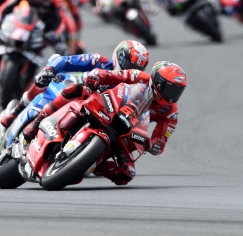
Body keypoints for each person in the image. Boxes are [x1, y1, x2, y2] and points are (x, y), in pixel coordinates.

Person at [26, 60, 187, 185]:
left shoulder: (171, 113)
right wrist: (98, 76)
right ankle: (37, 122)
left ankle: (89, 164)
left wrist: (152, 144)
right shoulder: (139, 77)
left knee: (126, 174)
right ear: (157, 82)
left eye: (178, 92)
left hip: (128, 130)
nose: (172, 96)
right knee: (74, 90)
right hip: (109, 105)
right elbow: (113, 75)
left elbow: (161, 140)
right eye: (170, 89)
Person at [1, 40, 149, 127]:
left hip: (91, 115)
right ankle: (17, 111)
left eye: (136, 68)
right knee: (43, 81)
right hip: (66, 92)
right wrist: (51, 69)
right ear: (119, 57)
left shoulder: (131, 90)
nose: (130, 70)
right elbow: (67, 61)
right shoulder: (99, 62)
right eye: (129, 65)